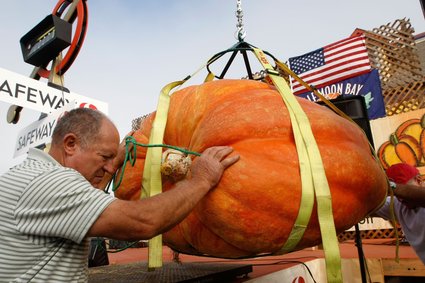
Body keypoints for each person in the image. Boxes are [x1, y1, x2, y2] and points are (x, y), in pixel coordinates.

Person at [0, 108, 240, 282]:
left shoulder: (30, 175)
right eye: (103, 157)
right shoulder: (49, 182)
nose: (107, 168)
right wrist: (201, 180)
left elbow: (83, 199)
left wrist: (112, 162)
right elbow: (143, 222)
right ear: (70, 144)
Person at [374, 163, 425, 264]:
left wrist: (392, 187)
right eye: (396, 195)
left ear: (419, 180)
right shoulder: (398, 204)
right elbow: (368, 206)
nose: (401, 198)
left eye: (402, 191)